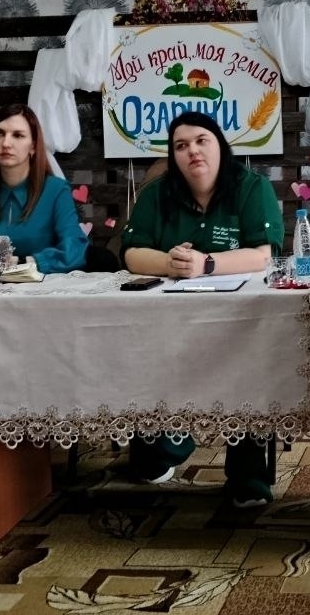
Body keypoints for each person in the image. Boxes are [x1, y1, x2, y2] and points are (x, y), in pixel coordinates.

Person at [119, 110, 283, 506]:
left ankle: (248, 476)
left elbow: (264, 255)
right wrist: (170, 263)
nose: (192, 150)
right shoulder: (157, 193)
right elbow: (132, 253)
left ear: (220, 146)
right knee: (147, 462)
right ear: (173, 156)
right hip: (167, 318)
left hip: (238, 317)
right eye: (181, 145)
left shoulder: (251, 187)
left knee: (247, 368)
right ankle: (165, 447)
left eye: (201, 141)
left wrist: (206, 264)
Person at [0, 104, 88, 273]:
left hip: (42, 285)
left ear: (33, 146)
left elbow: (75, 248)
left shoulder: (56, 190)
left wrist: (26, 262)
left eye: (18, 135)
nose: (6, 143)